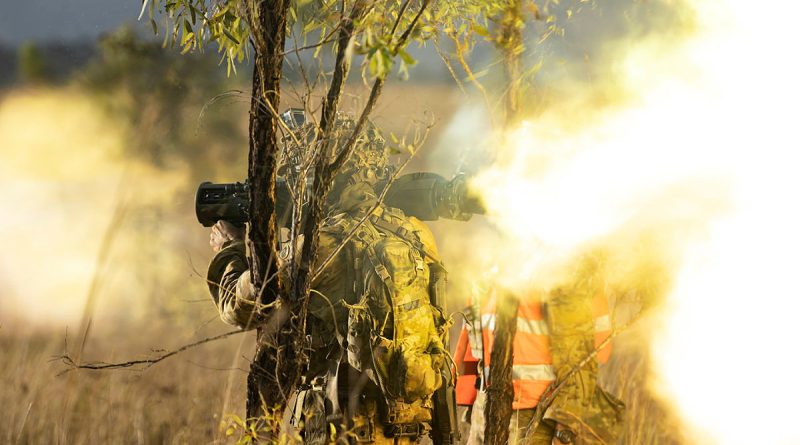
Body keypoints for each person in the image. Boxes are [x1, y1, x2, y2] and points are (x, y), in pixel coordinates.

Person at [206, 113, 454, 444]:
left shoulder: (321, 245)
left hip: (344, 428)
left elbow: (240, 307)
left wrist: (231, 249)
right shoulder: (415, 233)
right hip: (405, 427)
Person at [454, 256, 625, 445]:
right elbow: (601, 350)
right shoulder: (572, 269)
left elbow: (468, 350)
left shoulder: (490, 265)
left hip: (522, 415)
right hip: (506, 412)